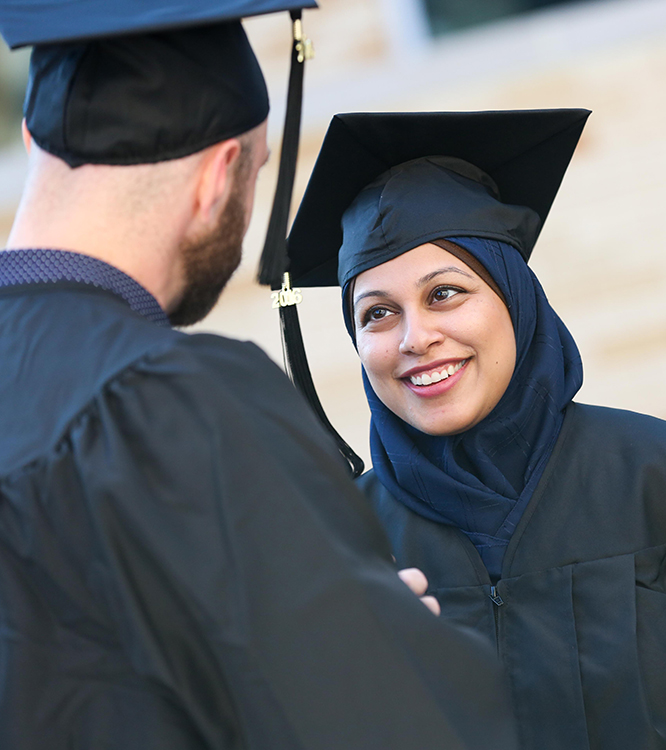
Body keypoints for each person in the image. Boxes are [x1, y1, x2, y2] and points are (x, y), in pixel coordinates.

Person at [0, 22, 520, 750]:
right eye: (255, 172)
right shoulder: (171, 404)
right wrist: (383, 651)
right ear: (218, 179)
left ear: (33, 139)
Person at [285, 110, 666, 750]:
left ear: (515, 298)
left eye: (445, 294)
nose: (415, 338)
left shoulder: (649, 476)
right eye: (377, 313)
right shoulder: (342, 542)